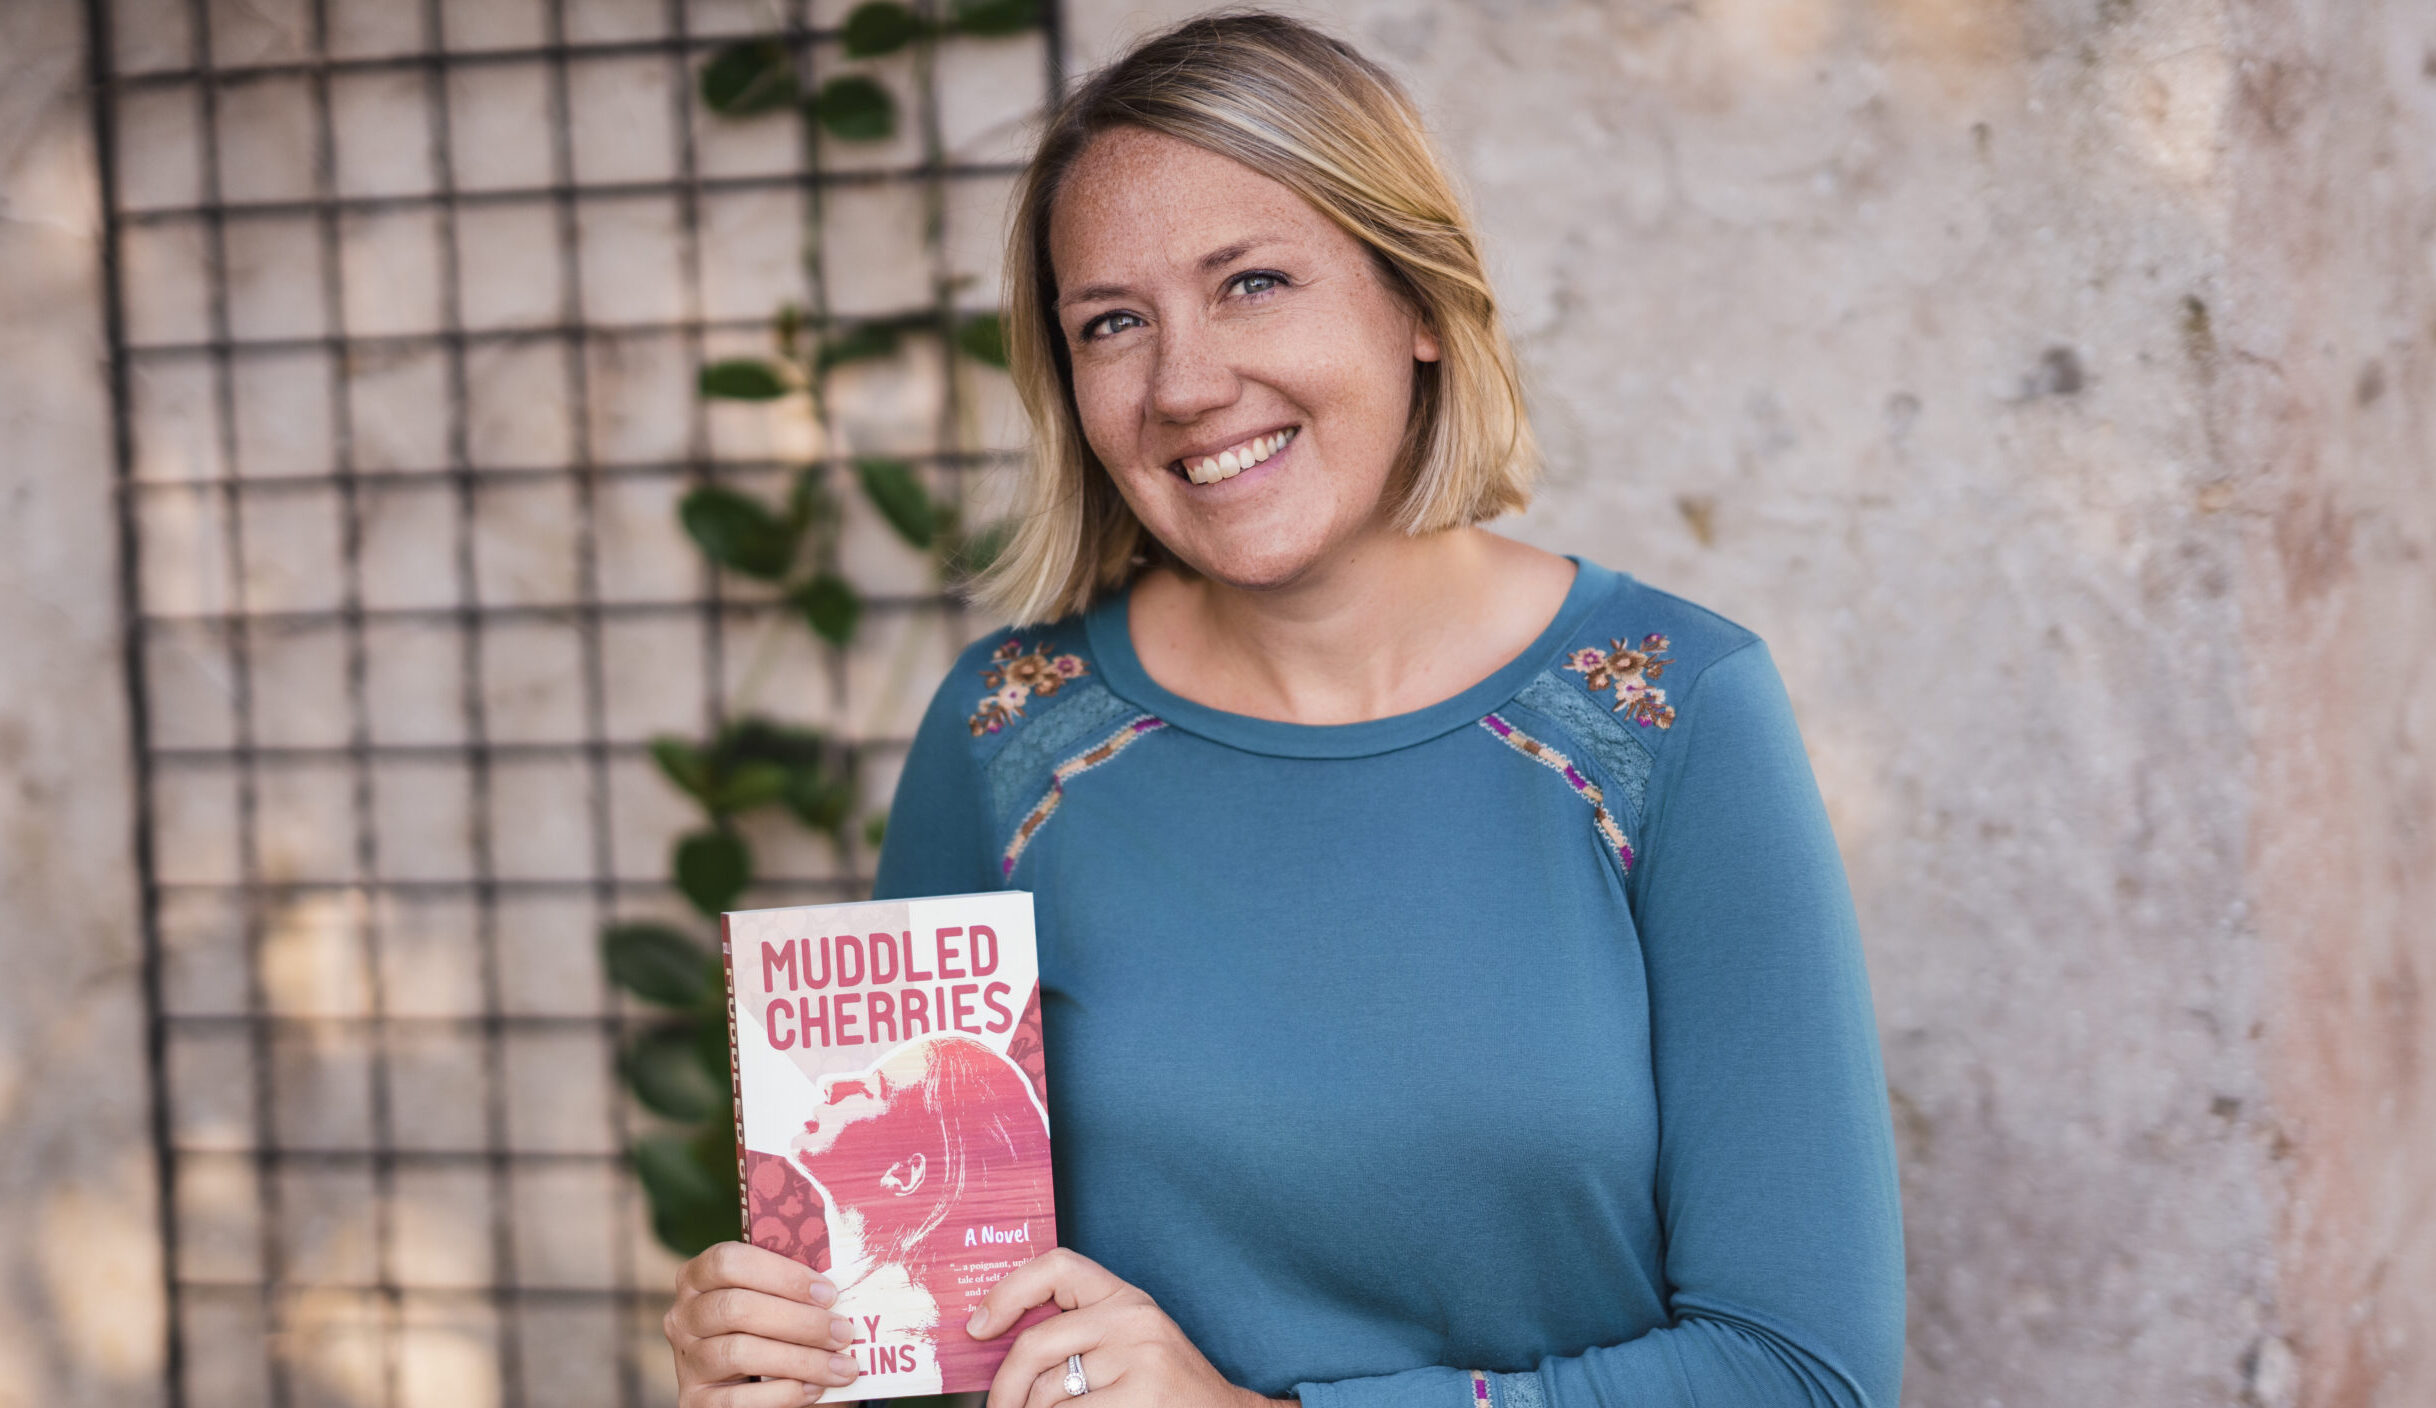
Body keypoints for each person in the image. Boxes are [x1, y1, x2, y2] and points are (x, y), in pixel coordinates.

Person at [662, 12, 1905, 1408]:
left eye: (1253, 282)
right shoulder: (1011, 732)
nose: (1185, 384)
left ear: (1420, 304)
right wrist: (793, 1350)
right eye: (1113, 323)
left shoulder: (1675, 714)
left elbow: (1803, 1374)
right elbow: (931, 1332)